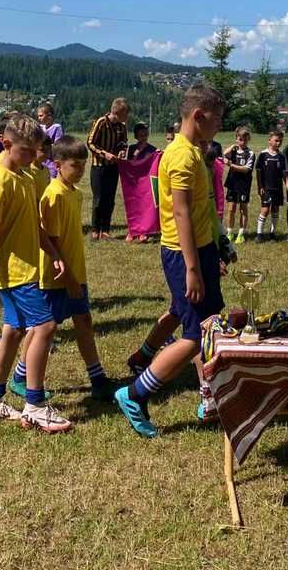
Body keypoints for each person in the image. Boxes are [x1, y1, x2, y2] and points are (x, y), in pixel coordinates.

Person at [114, 84, 226, 438]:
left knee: (209, 325)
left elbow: (200, 209)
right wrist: (193, 268)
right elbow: (181, 214)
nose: (218, 126)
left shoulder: (193, 152)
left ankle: (211, 395)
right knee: (193, 337)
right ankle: (135, 394)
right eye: (217, 119)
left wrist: (214, 251)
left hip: (201, 251)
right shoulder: (180, 156)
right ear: (198, 116)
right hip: (183, 254)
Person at [0, 113, 72, 433]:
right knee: (45, 326)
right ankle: (35, 405)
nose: (35, 158)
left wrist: (53, 251)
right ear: (6, 143)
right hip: (14, 272)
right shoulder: (0, 181)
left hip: (25, 267)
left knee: (13, 330)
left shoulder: (26, 176)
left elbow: (33, 222)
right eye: (28, 151)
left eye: (37, 151)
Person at [11, 136, 117, 401]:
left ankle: (97, 377)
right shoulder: (54, 195)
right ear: (57, 164)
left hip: (75, 272)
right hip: (57, 276)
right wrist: (68, 277)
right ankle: (20, 376)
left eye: (84, 165)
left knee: (84, 321)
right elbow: (53, 241)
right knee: (42, 329)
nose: (80, 171)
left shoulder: (75, 193)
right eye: (75, 165)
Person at [86, 98, 130, 240]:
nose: (127, 117)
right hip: (99, 166)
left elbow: (124, 142)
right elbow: (90, 142)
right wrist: (104, 154)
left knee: (110, 199)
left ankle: (105, 229)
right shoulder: (101, 122)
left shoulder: (121, 127)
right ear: (118, 112)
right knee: (98, 199)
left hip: (113, 167)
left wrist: (122, 151)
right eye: (126, 113)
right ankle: (95, 229)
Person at [223, 126, 255, 243]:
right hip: (232, 183)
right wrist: (232, 146)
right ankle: (230, 233)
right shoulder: (234, 150)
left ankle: (241, 234)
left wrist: (231, 165)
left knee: (243, 209)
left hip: (243, 185)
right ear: (236, 139)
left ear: (248, 139)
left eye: (245, 139)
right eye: (240, 139)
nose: (242, 142)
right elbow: (224, 154)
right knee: (231, 209)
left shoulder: (250, 153)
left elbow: (246, 169)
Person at [255, 130, 287, 241]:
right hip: (266, 188)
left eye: (280, 141)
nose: (278, 143)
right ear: (269, 141)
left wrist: (287, 185)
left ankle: (273, 233)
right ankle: (259, 234)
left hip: (277, 188)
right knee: (265, 210)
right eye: (276, 140)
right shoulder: (263, 155)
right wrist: (260, 187)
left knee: (275, 209)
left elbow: (284, 173)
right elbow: (258, 172)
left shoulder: (282, 156)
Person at [36, 103, 63, 176]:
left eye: (41, 115)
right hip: (40, 162)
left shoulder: (56, 128)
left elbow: (58, 145)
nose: (39, 118)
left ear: (49, 115)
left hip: (51, 162)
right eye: (38, 116)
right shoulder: (40, 128)